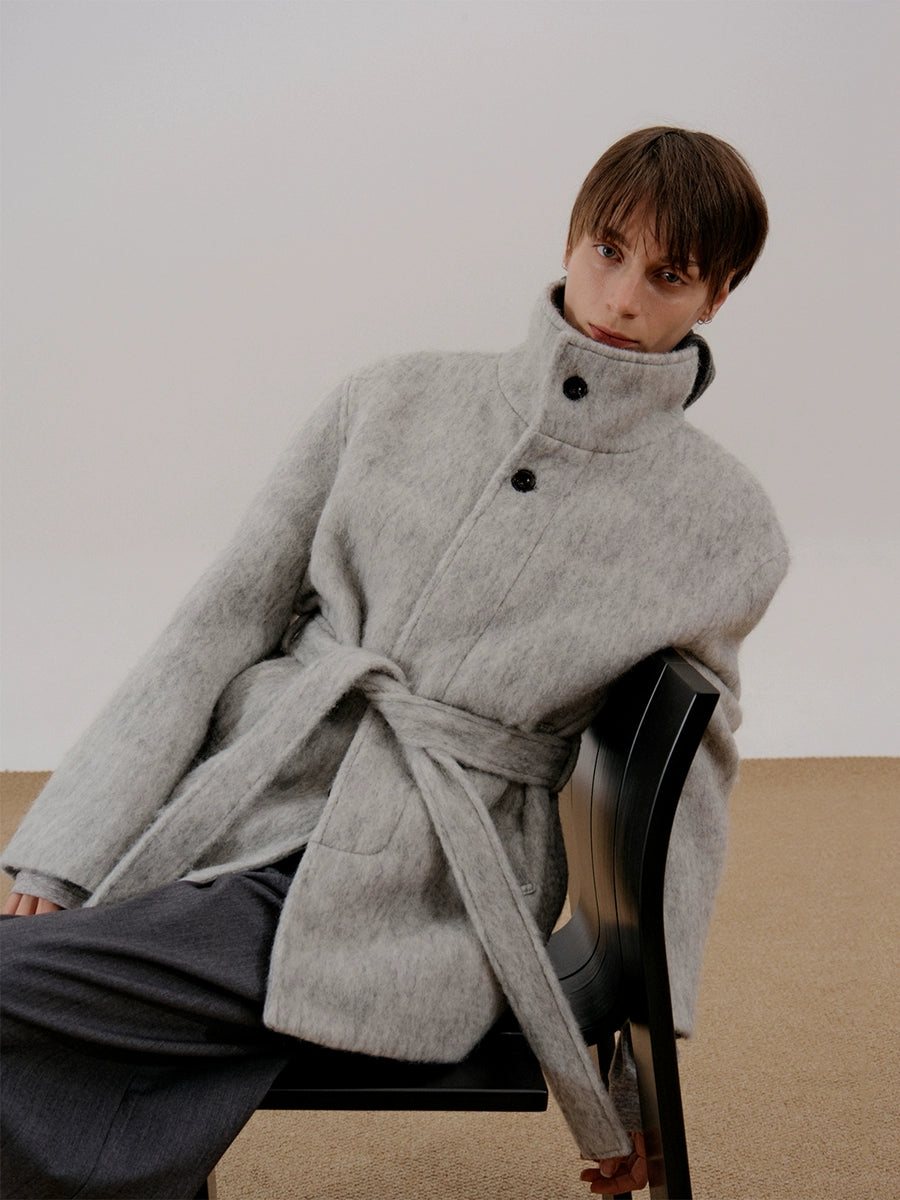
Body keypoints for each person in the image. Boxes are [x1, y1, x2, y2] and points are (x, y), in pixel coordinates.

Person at [1, 126, 788, 1198]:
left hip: (428, 890)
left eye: (670, 275)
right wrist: (64, 849)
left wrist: (646, 1066)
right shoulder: (389, 399)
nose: (620, 296)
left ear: (719, 295)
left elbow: (691, 798)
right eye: (608, 251)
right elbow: (216, 625)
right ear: (570, 239)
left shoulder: (723, 522)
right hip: (237, 807)